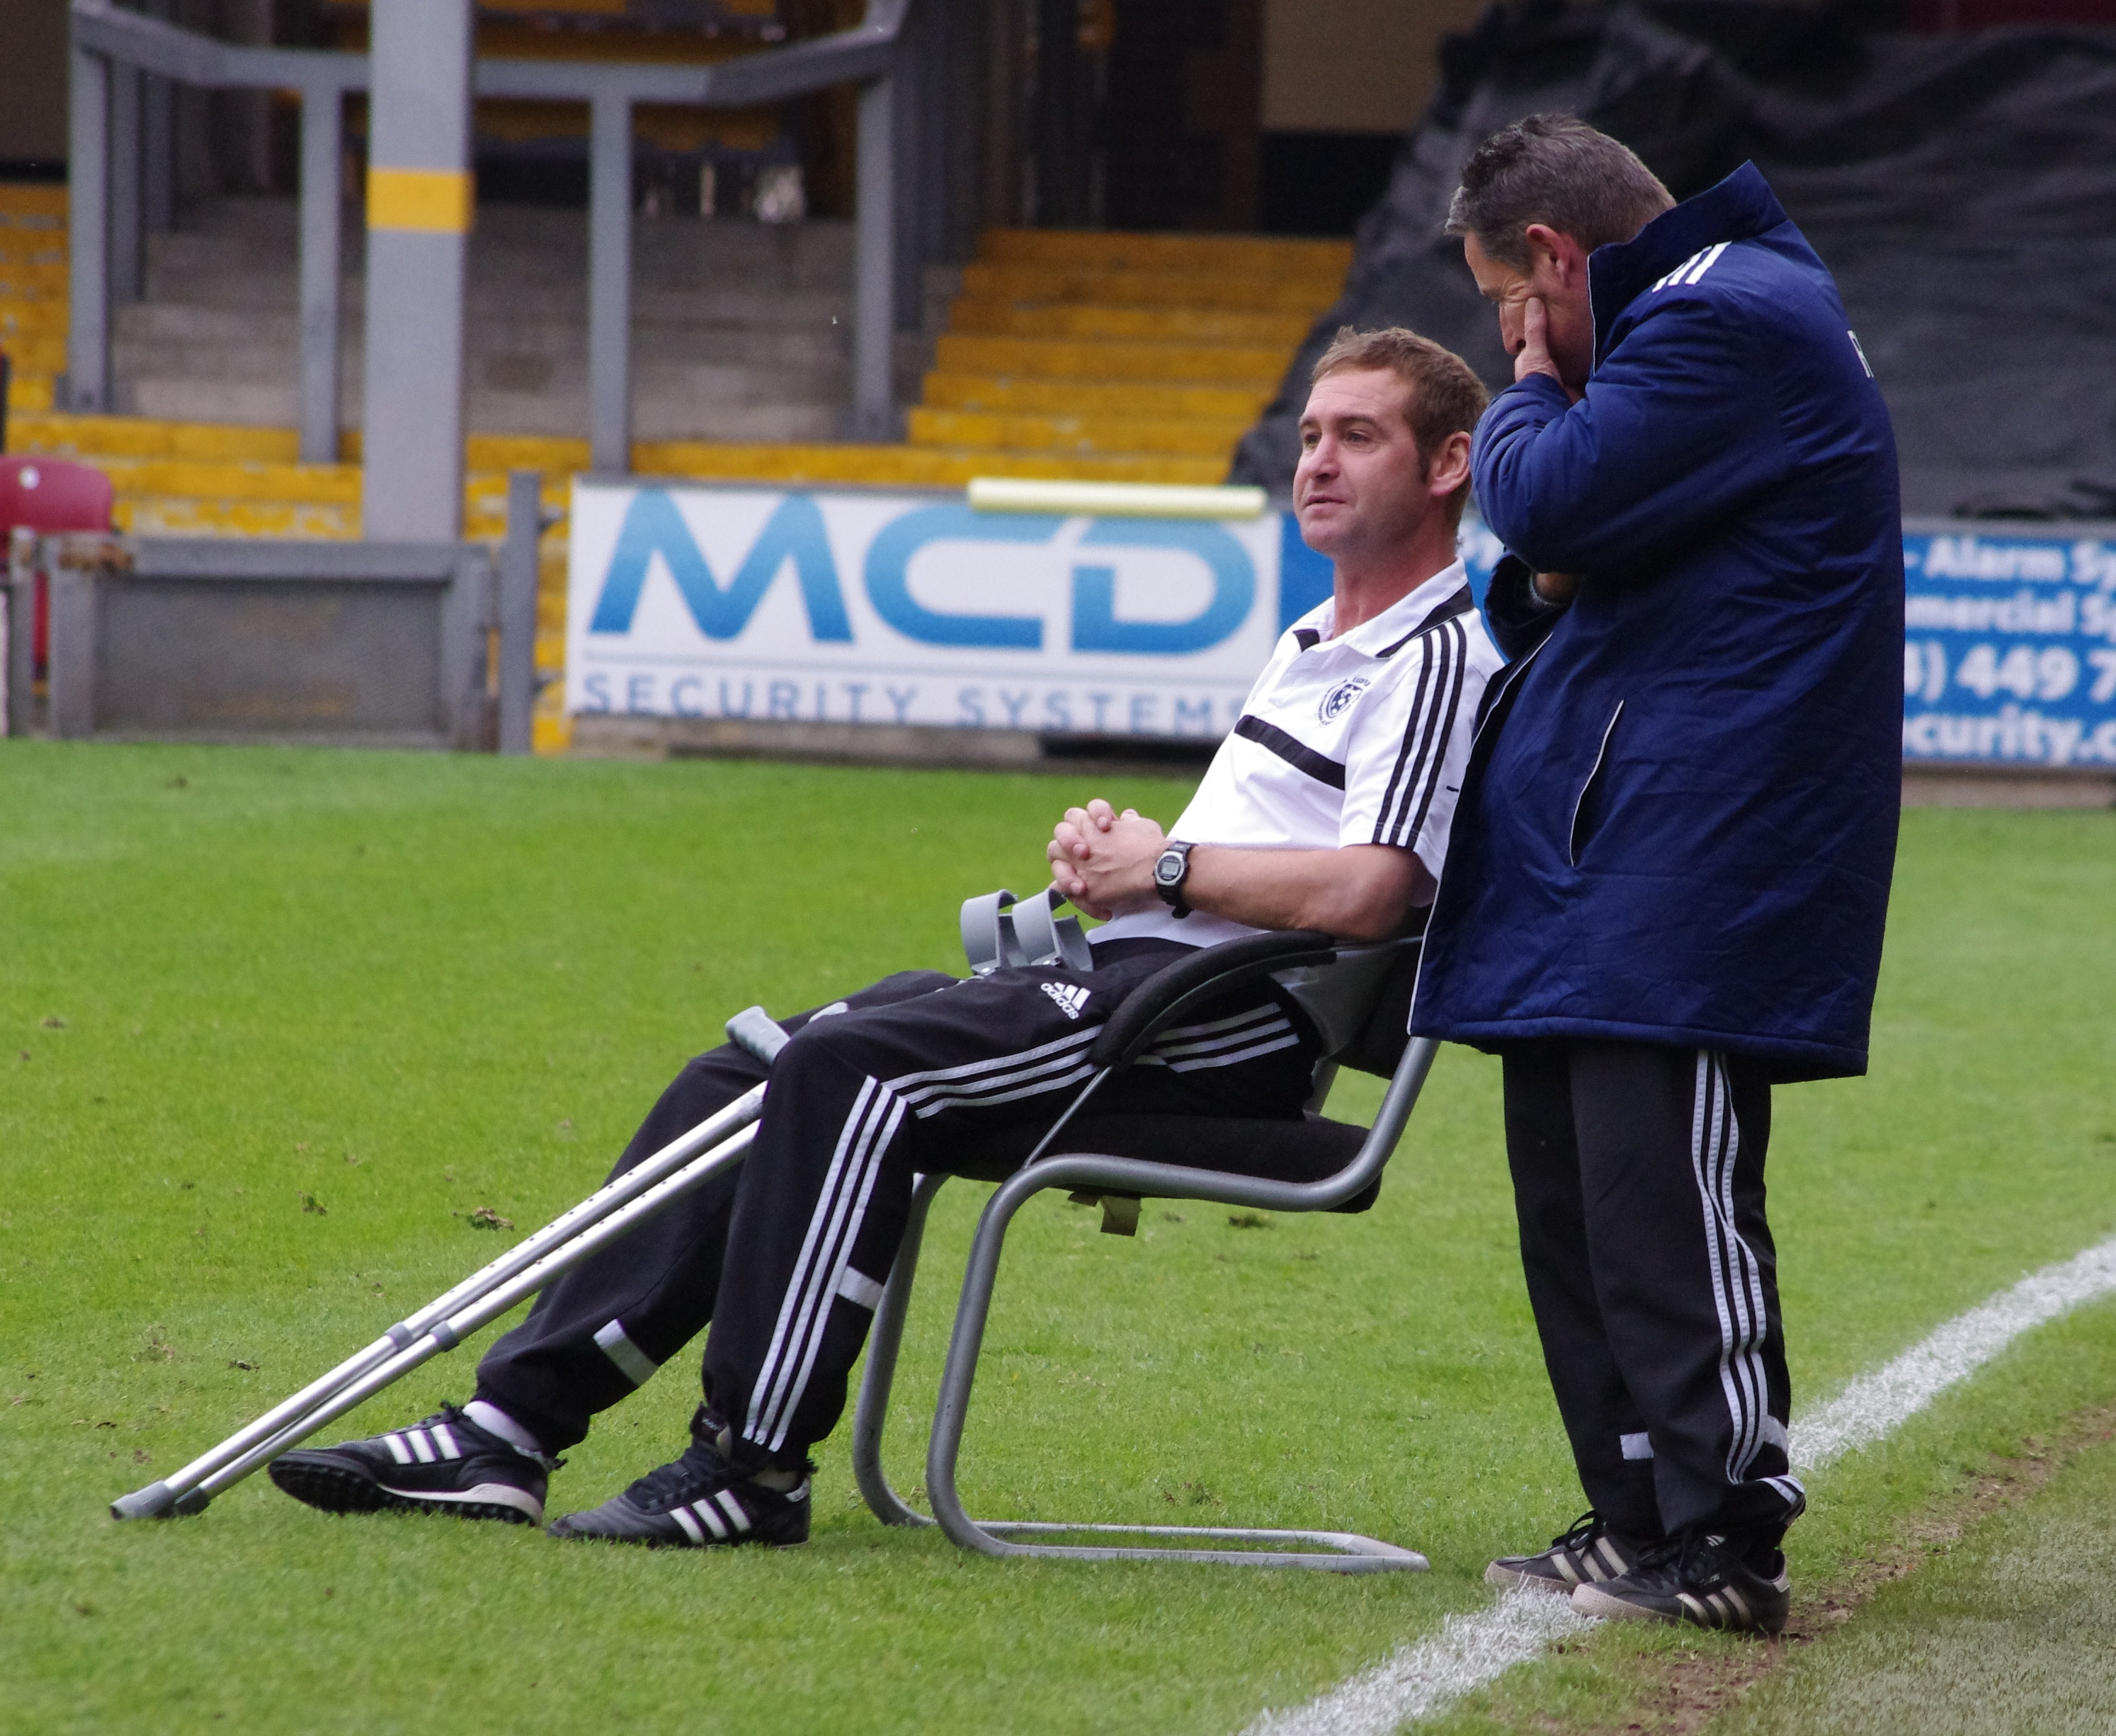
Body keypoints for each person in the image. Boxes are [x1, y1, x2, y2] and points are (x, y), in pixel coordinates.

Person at [268, 327, 1504, 1550]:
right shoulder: (1308, 642)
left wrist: (1166, 865)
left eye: (1359, 436)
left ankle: (750, 1468)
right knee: (752, 1064)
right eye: (1308, 436)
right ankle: (507, 1431)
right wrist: (1122, 872)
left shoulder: (1438, 653)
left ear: (1447, 465)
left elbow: (1370, 895)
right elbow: (1258, 865)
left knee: (848, 1074)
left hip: (1219, 1030)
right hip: (1141, 978)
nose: (1318, 462)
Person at [1413, 114, 1904, 1634]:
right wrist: (1558, 508)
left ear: (1560, 256)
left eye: (1512, 306)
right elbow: (1557, 569)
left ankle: (1724, 1518)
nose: (1519, 340)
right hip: (1610, 841)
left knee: (1664, 1190)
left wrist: (1534, 398)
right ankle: (1634, 1508)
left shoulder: (1724, 317)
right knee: (1579, 1188)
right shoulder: (1712, 320)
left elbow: (1547, 502)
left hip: (1693, 844)